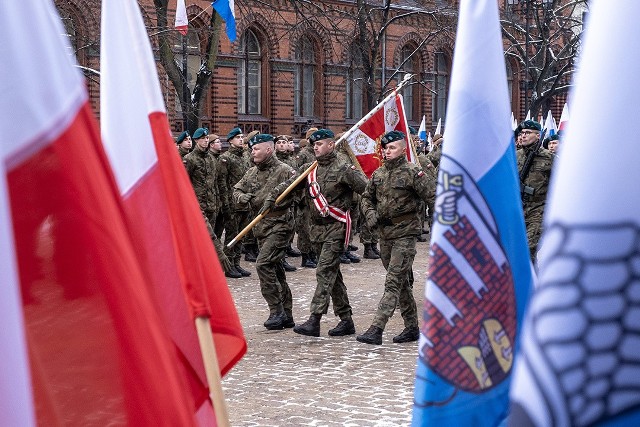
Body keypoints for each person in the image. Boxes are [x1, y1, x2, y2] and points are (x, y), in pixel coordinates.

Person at [271, 129, 368, 337]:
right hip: (315, 229)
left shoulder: (344, 168)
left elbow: (366, 191)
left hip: (337, 226)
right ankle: (346, 320)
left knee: (324, 271)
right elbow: (289, 186)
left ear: (331, 145)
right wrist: (272, 198)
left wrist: (371, 216)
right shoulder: (309, 169)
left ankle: (314, 320)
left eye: (320, 144)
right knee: (333, 274)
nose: (315, 147)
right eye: (313, 144)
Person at [356, 130, 436, 345]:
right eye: (385, 148)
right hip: (385, 235)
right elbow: (366, 198)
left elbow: (434, 197)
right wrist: (370, 213)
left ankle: (376, 328)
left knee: (392, 281)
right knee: (401, 284)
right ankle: (411, 328)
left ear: (403, 149)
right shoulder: (379, 174)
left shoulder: (413, 172)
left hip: (406, 233)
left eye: (392, 147)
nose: (387, 151)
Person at [234, 134, 297, 330]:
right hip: (260, 227)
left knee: (263, 264)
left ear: (268, 150)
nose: (252, 152)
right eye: (252, 149)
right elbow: (236, 190)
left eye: (256, 149)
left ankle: (276, 311)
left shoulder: (285, 171)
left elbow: (300, 192)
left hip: (280, 225)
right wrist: (242, 197)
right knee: (276, 269)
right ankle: (287, 314)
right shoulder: (251, 172)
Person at [183, 127, 242, 278]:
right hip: (198, 206)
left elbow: (217, 182)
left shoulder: (211, 158)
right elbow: (184, 183)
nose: (205, 140)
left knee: (213, 239)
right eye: (202, 138)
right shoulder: (190, 159)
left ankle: (209, 268)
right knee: (199, 240)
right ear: (196, 140)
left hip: (213, 205)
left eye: (207, 137)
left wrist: (220, 203)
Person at [516, 120, 554, 262]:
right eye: (522, 133)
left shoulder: (549, 158)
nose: (523, 136)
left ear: (538, 136)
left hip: (538, 210)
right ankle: (532, 280)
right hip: (518, 210)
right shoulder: (515, 156)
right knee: (518, 252)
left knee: (527, 248)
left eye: (528, 133)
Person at [220, 127, 255, 273]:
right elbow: (222, 183)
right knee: (231, 235)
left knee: (241, 234)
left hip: (245, 203)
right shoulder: (226, 158)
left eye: (242, 137)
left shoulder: (246, 156)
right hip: (232, 203)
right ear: (230, 141)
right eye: (238, 137)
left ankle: (236, 263)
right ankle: (228, 266)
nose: (241, 139)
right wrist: (226, 205)